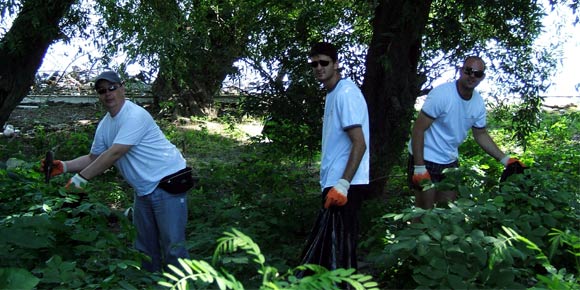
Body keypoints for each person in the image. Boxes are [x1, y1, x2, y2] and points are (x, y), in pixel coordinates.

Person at [41, 70, 190, 272]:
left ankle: (182, 284)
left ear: (123, 88)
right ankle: (150, 283)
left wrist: (80, 180)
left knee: (173, 246)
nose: (108, 94)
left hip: (168, 182)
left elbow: (114, 154)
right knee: (144, 247)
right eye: (102, 91)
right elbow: (94, 158)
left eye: (112, 88)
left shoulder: (135, 115)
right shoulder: (105, 125)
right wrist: (65, 166)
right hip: (144, 189)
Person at [408, 56, 525, 210]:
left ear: (482, 78)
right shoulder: (442, 94)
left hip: (449, 161)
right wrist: (419, 167)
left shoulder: (478, 103)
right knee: (425, 212)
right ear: (461, 70)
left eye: (477, 74)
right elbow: (418, 129)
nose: (472, 76)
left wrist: (505, 160)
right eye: (468, 71)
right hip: (426, 157)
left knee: (446, 211)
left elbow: (481, 134)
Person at [299, 42, 370, 273]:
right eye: (314, 64)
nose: (318, 67)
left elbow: (359, 142)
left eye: (324, 63)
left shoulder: (346, 93)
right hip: (334, 184)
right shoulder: (333, 93)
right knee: (328, 258)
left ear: (336, 64)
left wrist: (342, 185)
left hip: (345, 187)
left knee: (339, 257)